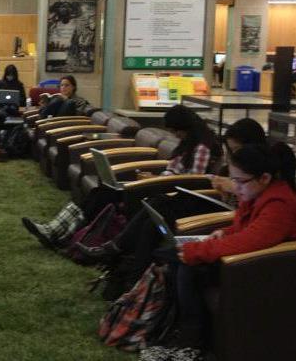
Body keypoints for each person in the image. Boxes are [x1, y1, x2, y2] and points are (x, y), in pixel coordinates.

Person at [143, 142, 296, 360]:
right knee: (177, 260)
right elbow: (246, 229)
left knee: (188, 266)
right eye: (234, 180)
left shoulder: (280, 203)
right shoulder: (259, 194)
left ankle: (190, 342)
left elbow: (251, 240)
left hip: (267, 273)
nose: (236, 187)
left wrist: (198, 250)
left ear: (264, 178)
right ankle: (181, 334)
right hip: (250, 265)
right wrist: (224, 232)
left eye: (240, 181)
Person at [74, 118, 267, 271]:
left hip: (219, 212)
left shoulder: (257, 174)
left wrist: (232, 188)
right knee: (153, 213)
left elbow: (244, 213)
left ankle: (117, 252)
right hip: (214, 202)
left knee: (160, 205)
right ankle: (127, 269)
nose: (233, 155)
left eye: (235, 150)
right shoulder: (201, 151)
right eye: (230, 151)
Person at [22, 104, 223, 250]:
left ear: (185, 128)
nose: (175, 135)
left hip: (169, 194)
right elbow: (175, 172)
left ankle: (61, 234)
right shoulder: (188, 144)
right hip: (160, 185)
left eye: (175, 131)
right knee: (101, 191)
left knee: (105, 194)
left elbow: (192, 181)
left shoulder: (202, 148)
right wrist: (154, 177)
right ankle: (56, 229)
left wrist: (157, 180)